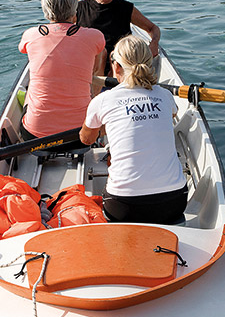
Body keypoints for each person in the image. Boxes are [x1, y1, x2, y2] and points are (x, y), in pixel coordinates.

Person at [79, 35, 188, 225]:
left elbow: (86, 140)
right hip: (175, 201)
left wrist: (106, 128)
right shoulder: (164, 95)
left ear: (117, 67)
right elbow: (167, 119)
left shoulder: (102, 101)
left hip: (124, 206)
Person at [18, 0, 106, 140]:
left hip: (34, 137)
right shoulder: (95, 37)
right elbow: (97, 61)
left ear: (45, 6)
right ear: (75, 5)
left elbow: (23, 49)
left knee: (32, 83)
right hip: (81, 135)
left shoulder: (31, 34)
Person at [76, 0, 161, 74]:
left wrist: (154, 44)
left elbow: (153, 28)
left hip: (120, 66)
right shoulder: (80, 8)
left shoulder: (126, 8)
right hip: (89, 67)